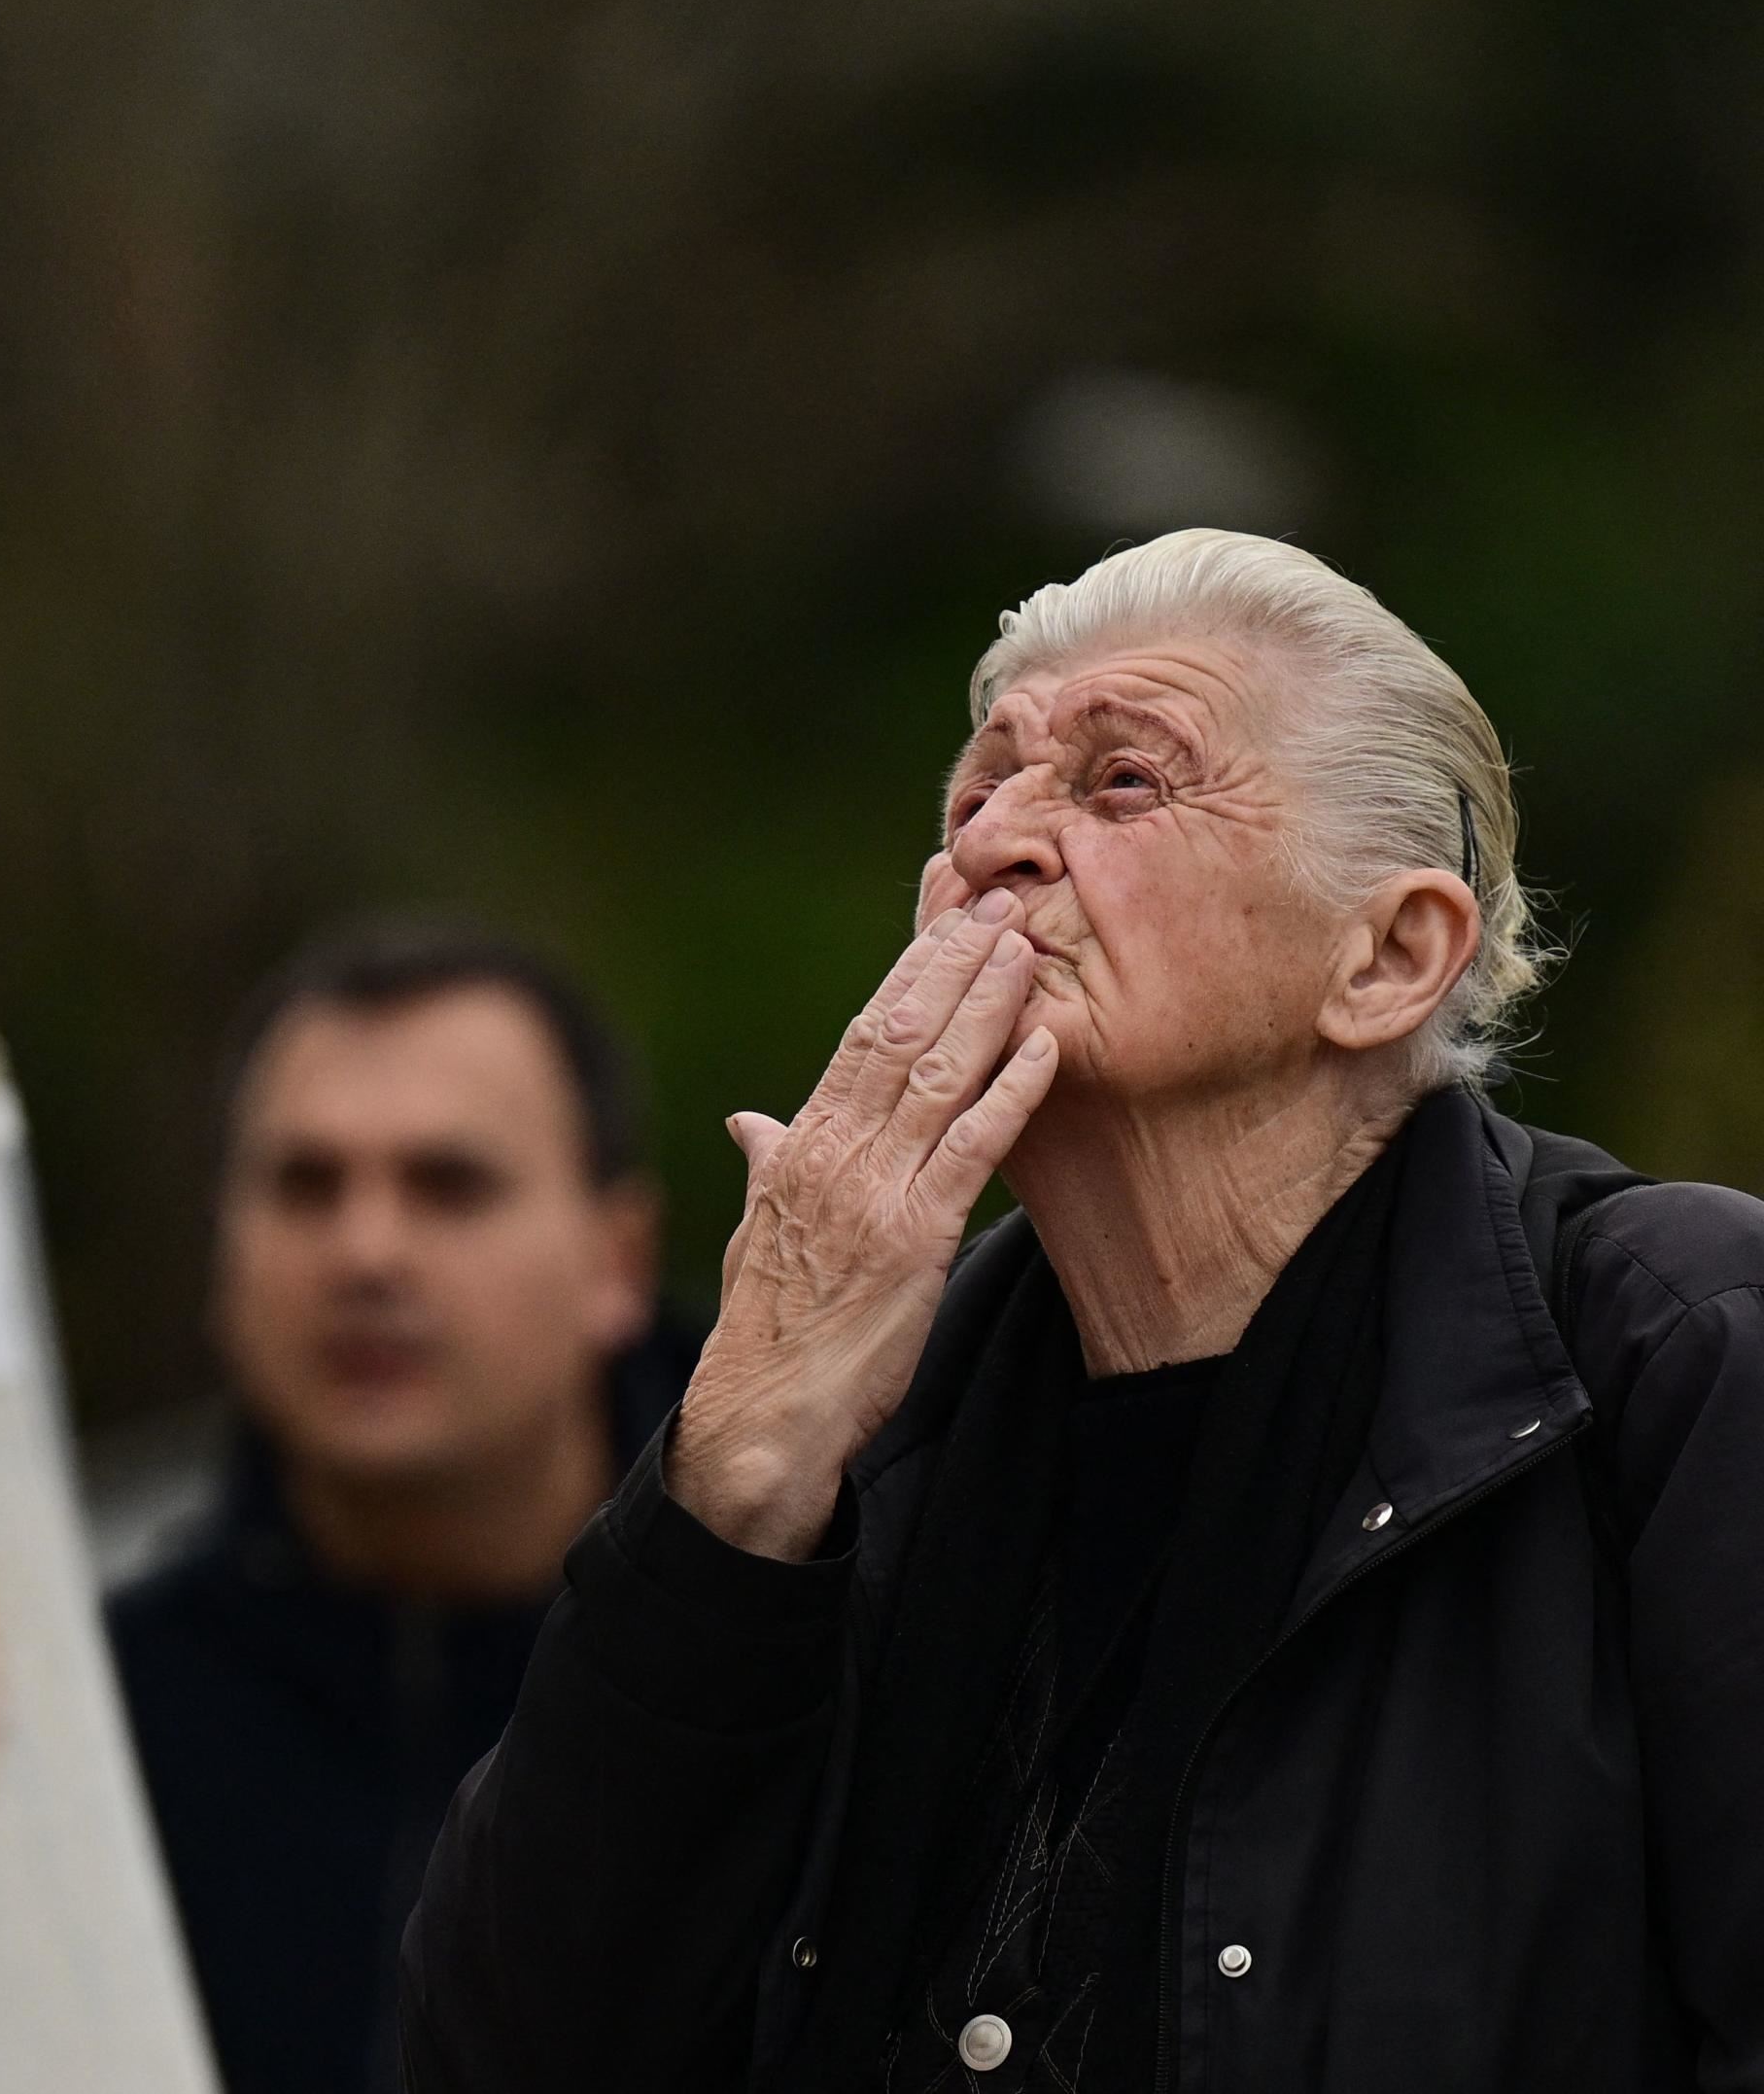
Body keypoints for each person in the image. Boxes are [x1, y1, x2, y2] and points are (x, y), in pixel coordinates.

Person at [400, 530, 1764, 2093]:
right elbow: (498, 2049)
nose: (998, 845)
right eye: (976, 795)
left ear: (1391, 955)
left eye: (1122, 782)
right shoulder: (860, 1433)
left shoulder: (1682, 1353)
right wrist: (735, 1474)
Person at [109, 920, 691, 2094]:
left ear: (617, 1261)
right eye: (305, 1184)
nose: (366, 1252)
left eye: (450, 1185)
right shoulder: (102, 1729)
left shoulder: (786, 1683)